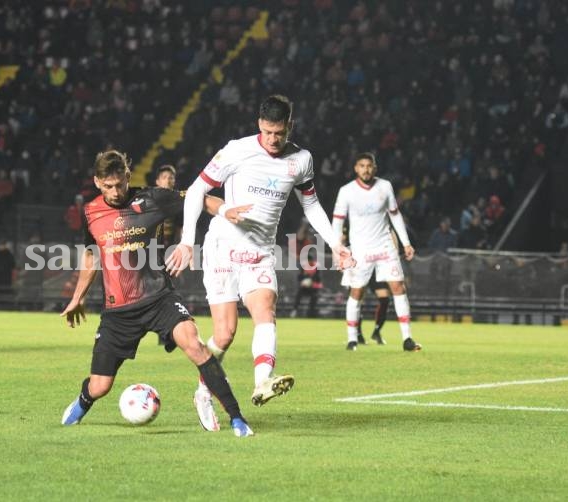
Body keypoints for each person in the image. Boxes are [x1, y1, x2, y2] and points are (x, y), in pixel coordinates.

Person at [166, 95, 352, 428]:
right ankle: (204, 391)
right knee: (225, 334)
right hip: (222, 246)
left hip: (261, 251)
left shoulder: (302, 160)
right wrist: (186, 241)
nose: (273, 139)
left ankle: (263, 381)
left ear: (289, 126)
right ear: (259, 126)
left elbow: (311, 206)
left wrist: (336, 243)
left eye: (279, 133)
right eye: (267, 132)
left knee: (266, 310)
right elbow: (196, 191)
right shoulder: (236, 150)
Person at [59, 149, 254, 437]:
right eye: (108, 186)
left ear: (128, 177)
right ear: (98, 182)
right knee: (101, 386)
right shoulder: (90, 213)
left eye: (120, 184)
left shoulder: (152, 199)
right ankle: (84, 400)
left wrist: (225, 210)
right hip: (118, 312)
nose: (115, 192)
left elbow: (199, 198)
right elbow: (91, 255)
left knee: (195, 344)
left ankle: (237, 418)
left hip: (159, 298)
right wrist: (78, 297)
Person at [332, 152, 421, 352]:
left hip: (384, 246)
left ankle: (407, 339)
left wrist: (406, 243)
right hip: (360, 250)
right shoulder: (346, 191)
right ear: (356, 168)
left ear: (375, 168)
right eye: (362, 165)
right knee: (356, 292)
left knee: (398, 287)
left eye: (369, 165)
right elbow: (337, 222)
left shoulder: (385, 186)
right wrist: (338, 251)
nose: (366, 169)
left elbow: (395, 216)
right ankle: (352, 339)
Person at [154, 164, 181, 249]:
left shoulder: (179, 201)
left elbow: (180, 227)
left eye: (171, 178)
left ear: (174, 181)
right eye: (164, 177)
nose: (167, 181)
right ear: (157, 181)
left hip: (173, 247)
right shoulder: (150, 201)